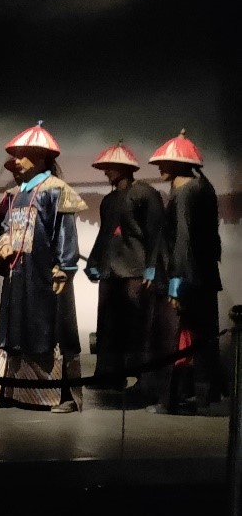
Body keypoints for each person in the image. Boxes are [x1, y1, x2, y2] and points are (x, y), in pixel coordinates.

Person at [0, 122, 87, 413]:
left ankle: (63, 395)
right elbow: (4, 228)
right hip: (18, 274)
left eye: (22, 155)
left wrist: (64, 266)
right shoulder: (14, 194)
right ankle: (9, 390)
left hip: (44, 275)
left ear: (39, 158)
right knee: (13, 328)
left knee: (51, 329)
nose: (16, 161)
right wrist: (1, 245)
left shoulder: (56, 191)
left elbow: (65, 232)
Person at [145, 130, 225, 415]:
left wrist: (177, 283)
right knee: (200, 338)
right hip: (203, 276)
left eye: (165, 163)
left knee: (172, 340)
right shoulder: (202, 187)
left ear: (179, 164)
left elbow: (183, 238)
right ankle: (201, 395)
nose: (160, 167)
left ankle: (170, 399)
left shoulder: (185, 191)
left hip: (185, 278)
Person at [83, 142, 163, 393]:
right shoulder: (109, 200)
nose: (106, 172)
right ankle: (108, 375)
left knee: (139, 326)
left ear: (124, 168)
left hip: (135, 271)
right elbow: (105, 234)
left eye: (111, 167)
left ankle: (143, 378)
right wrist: (94, 262)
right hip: (111, 270)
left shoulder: (146, 194)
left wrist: (152, 267)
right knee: (108, 325)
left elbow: (156, 233)